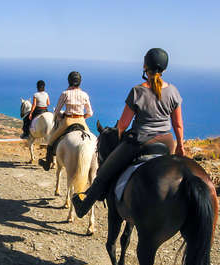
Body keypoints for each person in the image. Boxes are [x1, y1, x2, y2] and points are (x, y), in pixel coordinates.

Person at [72, 48, 185, 218]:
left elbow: (123, 124)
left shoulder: (137, 91)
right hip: (167, 142)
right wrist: (180, 147)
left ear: (145, 66)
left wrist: (119, 139)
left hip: (141, 142)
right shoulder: (174, 91)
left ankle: (83, 205)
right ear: (164, 69)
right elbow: (178, 125)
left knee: (104, 172)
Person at [38, 71, 93, 171]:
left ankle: (47, 164)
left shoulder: (65, 94)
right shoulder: (85, 95)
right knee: (93, 142)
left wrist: (61, 116)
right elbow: (90, 113)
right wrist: (82, 117)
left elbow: (57, 111)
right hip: (81, 120)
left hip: (68, 120)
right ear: (80, 81)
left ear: (69, 81)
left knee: (51, 141)